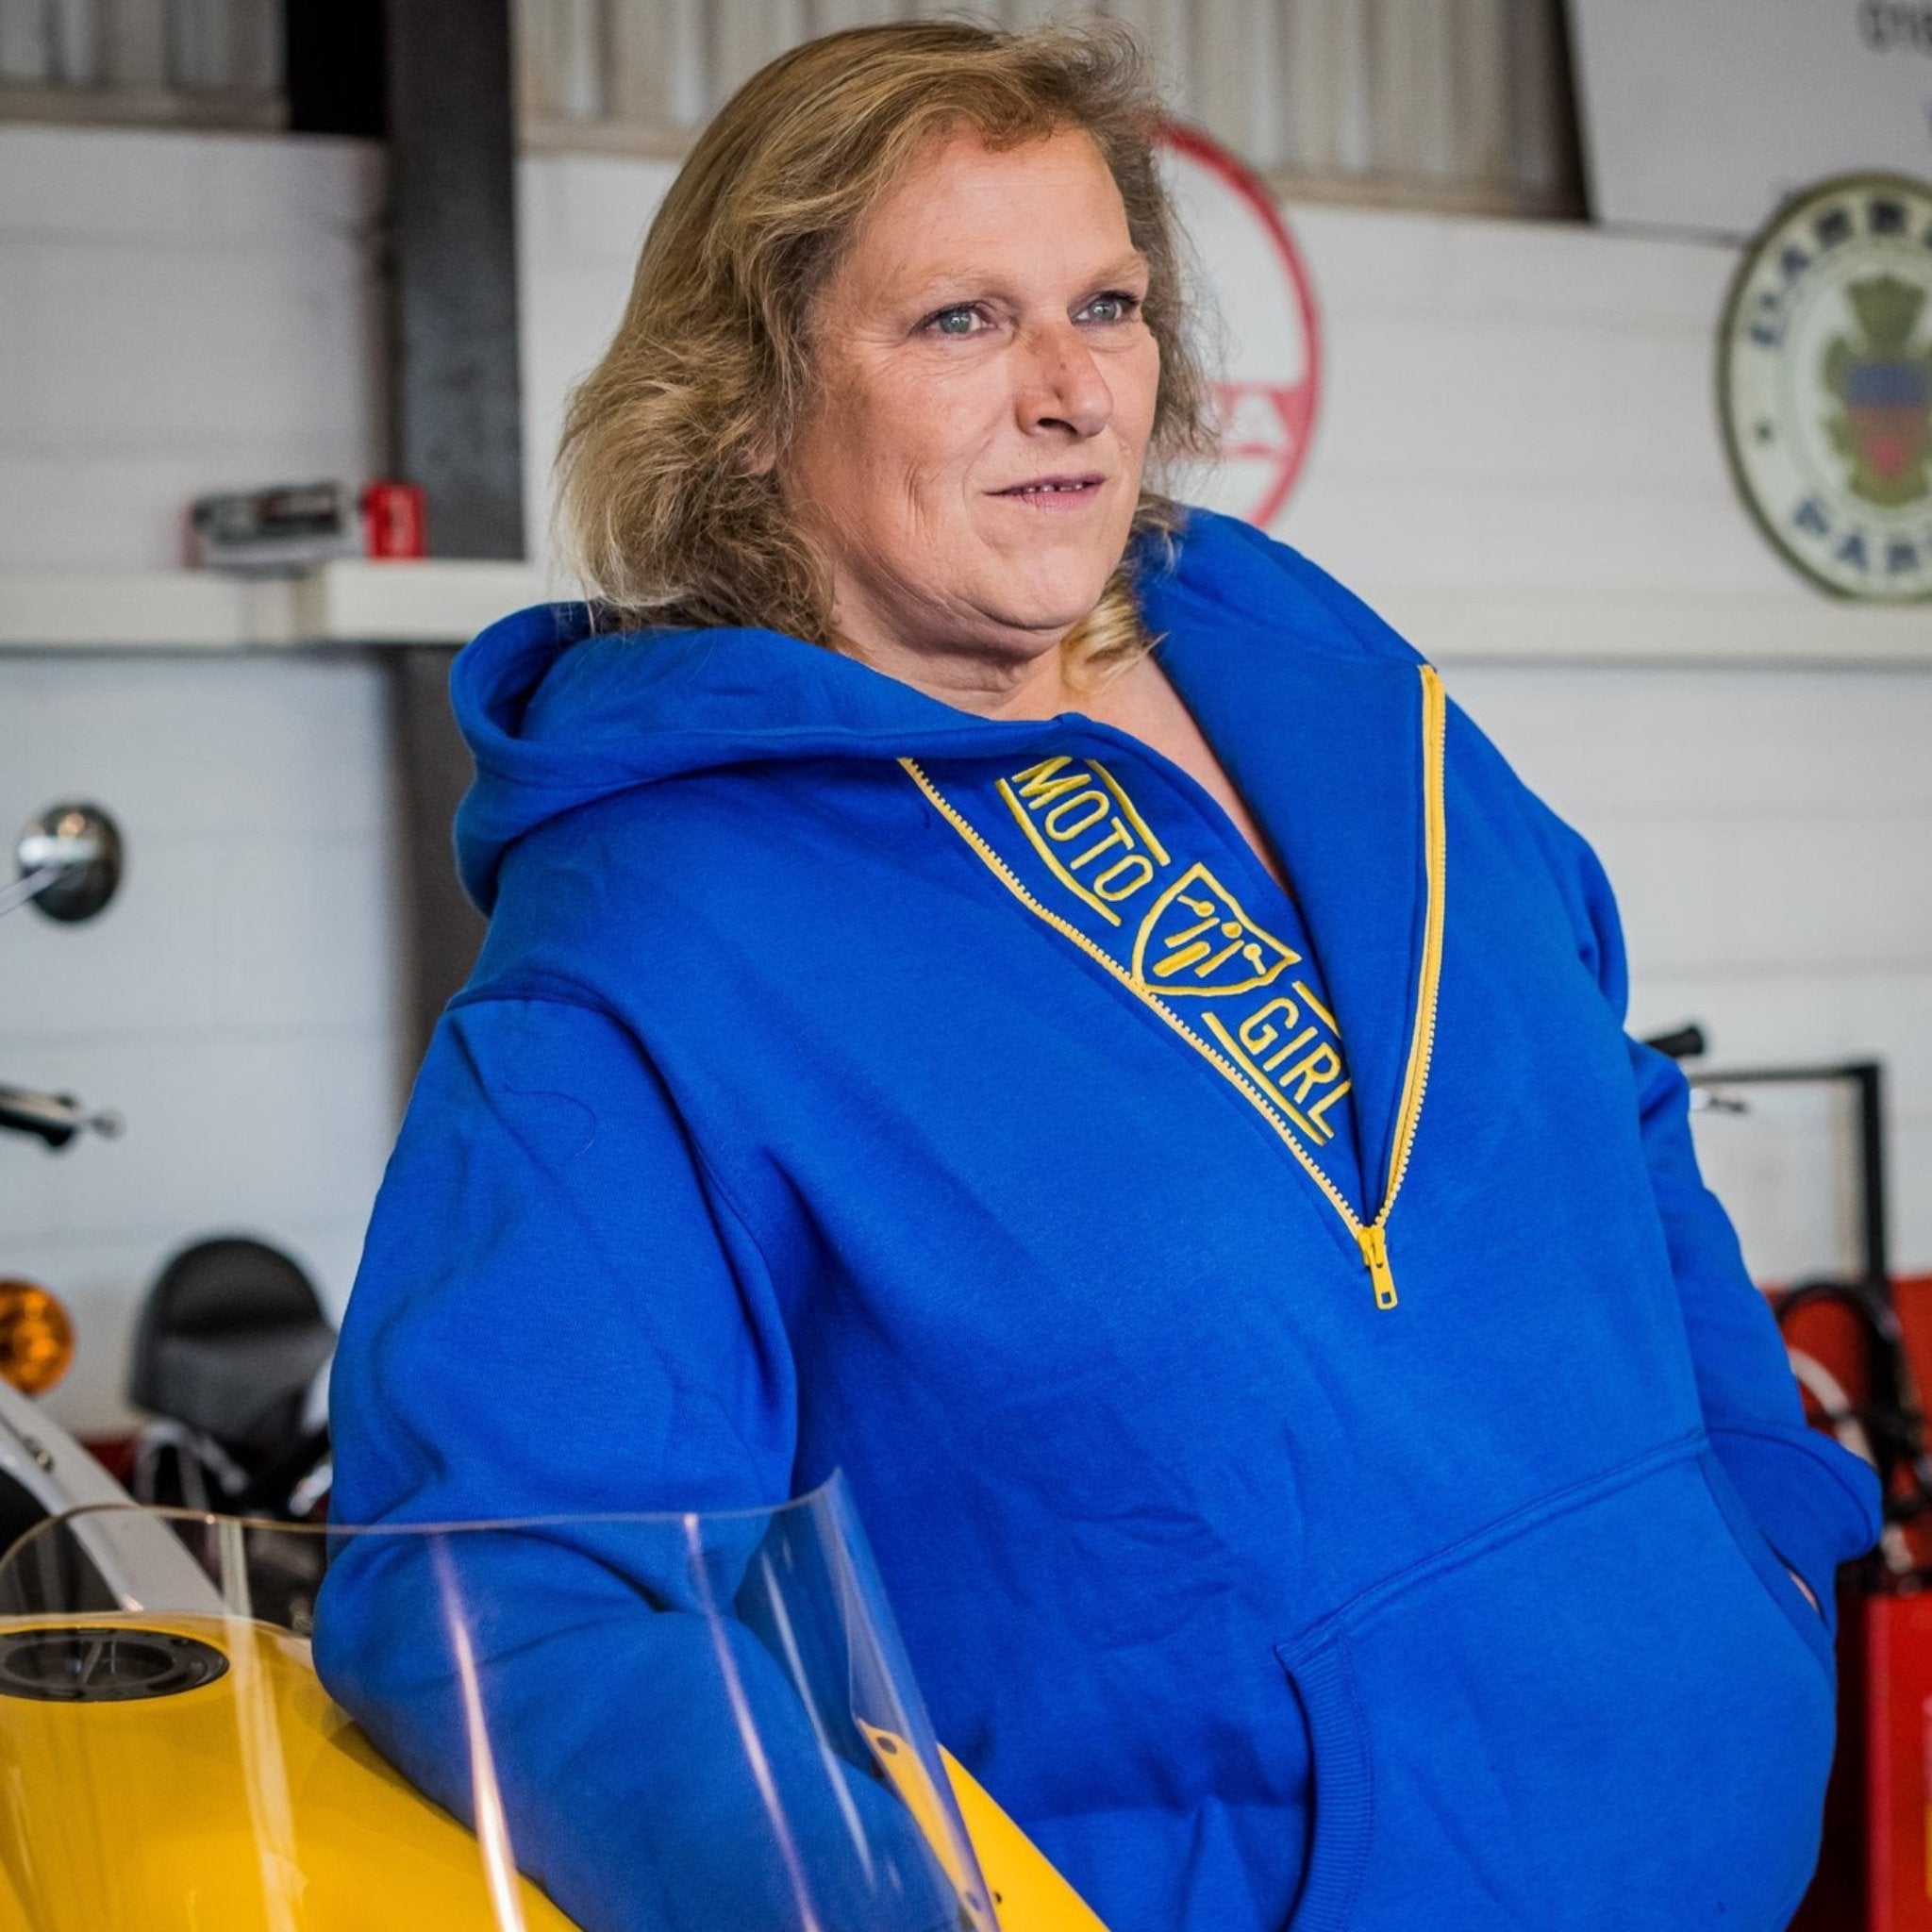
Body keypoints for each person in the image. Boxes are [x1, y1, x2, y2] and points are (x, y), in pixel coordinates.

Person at [315, 20, 1881, 1932]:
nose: (1072, 391)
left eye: (1109, 303)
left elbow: (1608, 1097)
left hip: (1723, 1848)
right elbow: (501, 1593)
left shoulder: (1310, 663)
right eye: (961, 321)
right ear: (746, 399)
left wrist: (1766, 1524)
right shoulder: (654, 938)